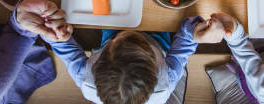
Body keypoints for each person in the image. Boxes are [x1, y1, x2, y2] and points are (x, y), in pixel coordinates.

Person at [41, 16, 227, 104]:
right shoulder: (167, 81)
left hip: (113, 28)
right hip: (158, 37)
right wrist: (196, 33)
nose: (130, 31)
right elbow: (184, 43)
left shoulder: (84, 78)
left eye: (118, 41)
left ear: (96, 63)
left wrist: (57, 34)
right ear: (157, 67)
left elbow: (65, 49)